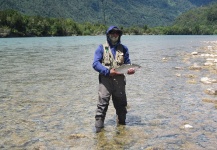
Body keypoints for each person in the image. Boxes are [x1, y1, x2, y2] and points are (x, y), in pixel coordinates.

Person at [92, 26, 135, 133]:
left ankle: (122, 130)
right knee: (101, 107)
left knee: (121, 107)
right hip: (105, 81)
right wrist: (107, 71)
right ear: (108, 34)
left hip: (119, 82)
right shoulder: (101, 48)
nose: (114, 34)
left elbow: (128, 63)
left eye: (117, 33)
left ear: (119, 35)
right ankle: (98, 132)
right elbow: (95, 64)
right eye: (112, 32)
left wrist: (130, 71)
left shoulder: (124, 49)